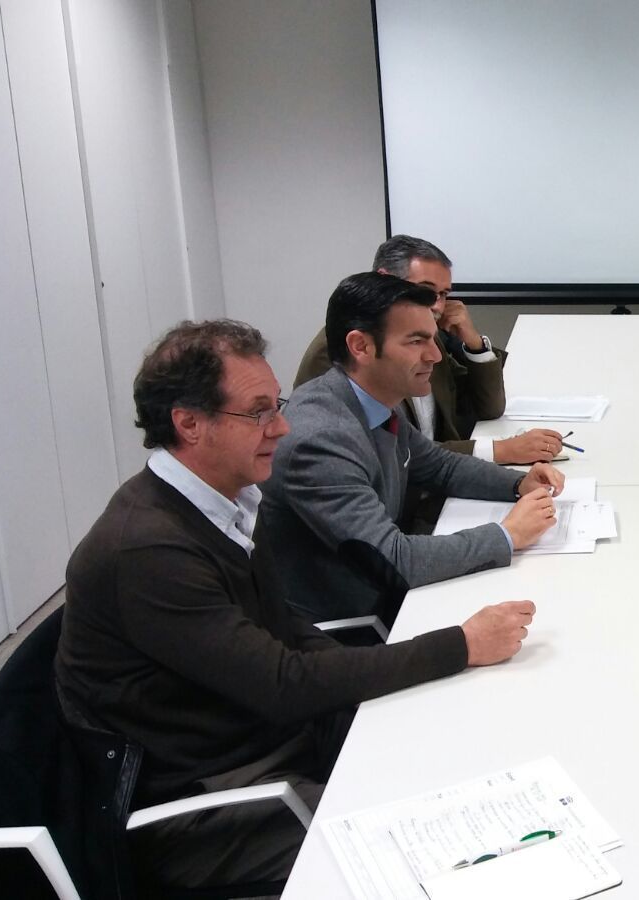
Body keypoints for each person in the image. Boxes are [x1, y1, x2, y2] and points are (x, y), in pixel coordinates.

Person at [55, 319, 540, 891]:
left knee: (465, 756)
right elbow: (282, 683)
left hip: (273, 741)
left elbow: (291, 630)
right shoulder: (148, 551)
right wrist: (458, 645)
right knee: (451, 864)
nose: (281, 426)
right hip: (215, 804)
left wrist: (423, 662)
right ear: (188, 423)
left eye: (276, 404)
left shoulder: (225, 503)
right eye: (258, 412)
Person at [261, 273, 564, 623]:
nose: (435, 356)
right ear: (360, 346)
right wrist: (507, 535)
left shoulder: (370, 400)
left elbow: (438, 465)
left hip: (389, 596)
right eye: (416, 342)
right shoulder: (320, 438)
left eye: (433, 340)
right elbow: (395, 559)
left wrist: (516, 484)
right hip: (349, 629)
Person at [295, 235, 563, 466]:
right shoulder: (341, 350)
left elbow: (489, 408)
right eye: (425, 291)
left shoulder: (428, 335)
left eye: (444, 294)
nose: (436, 306)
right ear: (384, 280)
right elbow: (390, 454)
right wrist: (500, 450)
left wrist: (473, 343)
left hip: (436, 478)